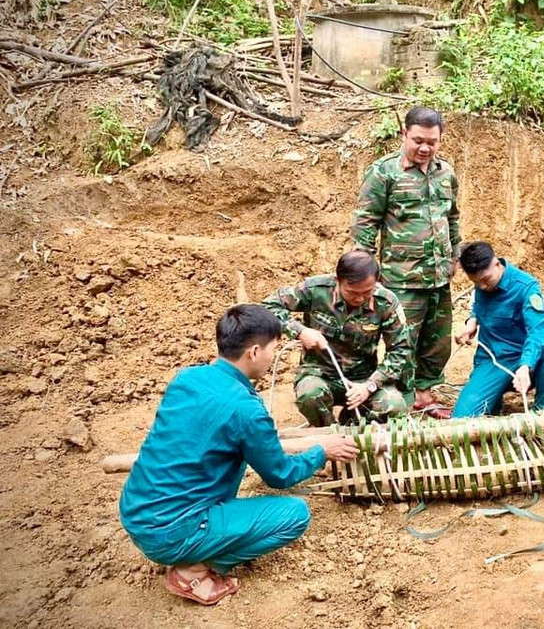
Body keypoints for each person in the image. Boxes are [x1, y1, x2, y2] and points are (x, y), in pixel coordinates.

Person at [120, 305, 359, 605]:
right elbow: (280, 475)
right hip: (172, 532)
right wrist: (321, 451)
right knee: (294, 515)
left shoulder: (187, 378)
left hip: (135, 512)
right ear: (255, 352)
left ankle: (193, 544)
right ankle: (194, 570)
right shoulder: (247, 411)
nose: (274, 358)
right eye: (273, 350)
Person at [351, 106, 460, 411]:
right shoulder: (383, 172)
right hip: (401, 277)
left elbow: (452, 217)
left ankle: (426, 393)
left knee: (437, 341)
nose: (425, 147)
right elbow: (365, 223)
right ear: (404, 135)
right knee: (404, 342)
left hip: (438, 274)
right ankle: (405, 398)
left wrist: (455, 256)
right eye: (418, 140)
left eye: (432, 141)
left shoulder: (445, 173)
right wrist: (366, 276)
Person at [262, 251, 413, 426]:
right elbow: (268, 306)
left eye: (367, 292)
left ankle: (354, 422)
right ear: (337, 281)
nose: (359, 298)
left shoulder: (385, 302)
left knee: (394, 406)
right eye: (352, 292)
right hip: (320, 374)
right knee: (310, 395)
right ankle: (328, 431)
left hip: (364, 378)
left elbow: (401, 350)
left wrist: (370, 385)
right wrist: (300, 331)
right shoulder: (316, 290)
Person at [452, 241, 544, 417]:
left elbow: (538, 329)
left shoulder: (526, 286)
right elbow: (479, 304)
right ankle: (494, 400)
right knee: (463, 417)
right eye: (476, 282)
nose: (482, 286)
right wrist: (471, 322)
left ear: (497, 263)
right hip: (493, 360)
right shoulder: (483, 282)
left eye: (485, 280)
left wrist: (526, 365)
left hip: (525, 357)